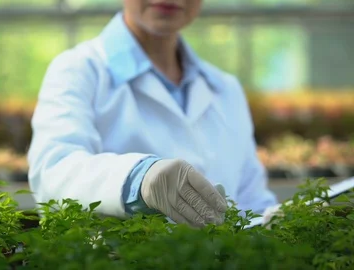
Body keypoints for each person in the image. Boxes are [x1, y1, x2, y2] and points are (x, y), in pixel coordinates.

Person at [27, 0, 278, 228]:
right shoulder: (78, 70)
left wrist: (280, 219)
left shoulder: (226, 89)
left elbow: (252, 202)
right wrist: (138, 179)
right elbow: (54, 174)